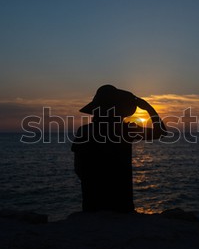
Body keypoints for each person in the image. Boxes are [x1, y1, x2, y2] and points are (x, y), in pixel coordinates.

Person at [71, 84, 167, 212]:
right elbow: (160, 132)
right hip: (122, 205)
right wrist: (149, 108)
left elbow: (79, 168)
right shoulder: (126, 130)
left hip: (93, 204)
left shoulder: (85, 131)